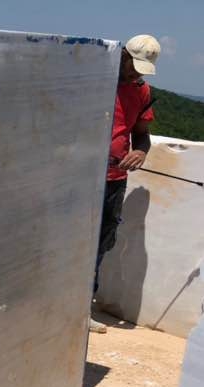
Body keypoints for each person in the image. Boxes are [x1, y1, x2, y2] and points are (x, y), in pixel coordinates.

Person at [90, 34, 161, 334]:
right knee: (71, 237)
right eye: (133, 67)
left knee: (101, 242)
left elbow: (141, 135)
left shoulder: (142, 91)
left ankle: (82, 305)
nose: (135, 75)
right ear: (122, 56)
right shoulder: (96, 80)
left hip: (115, 180)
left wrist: (141, 152)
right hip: (82, 176)